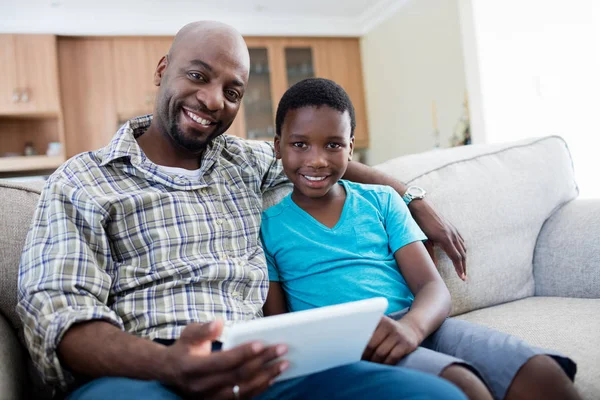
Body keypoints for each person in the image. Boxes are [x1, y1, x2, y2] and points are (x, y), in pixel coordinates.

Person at [17, 21, 468, 400]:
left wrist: (413, 199)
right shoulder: (82, 180)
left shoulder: (241, 160)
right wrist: (169, 363)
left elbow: (325, 160)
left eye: (232, 91)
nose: (214, 101)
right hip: (144, 374)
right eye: (197, 76)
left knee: (438, 394)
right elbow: (59, 314)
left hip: (263, 368)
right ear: (163, 70)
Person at [260, 77, 581, 400]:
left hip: (424, 325)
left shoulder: (382, 201)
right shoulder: (268, 226)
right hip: (355, 345)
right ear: (278, 146)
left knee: (542, 372)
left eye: (333, 145)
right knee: (462, 385)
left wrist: (412, 327)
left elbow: (432, 288)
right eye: (300, 144)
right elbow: (280, 324)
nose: (317, 160)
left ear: (351, 148)